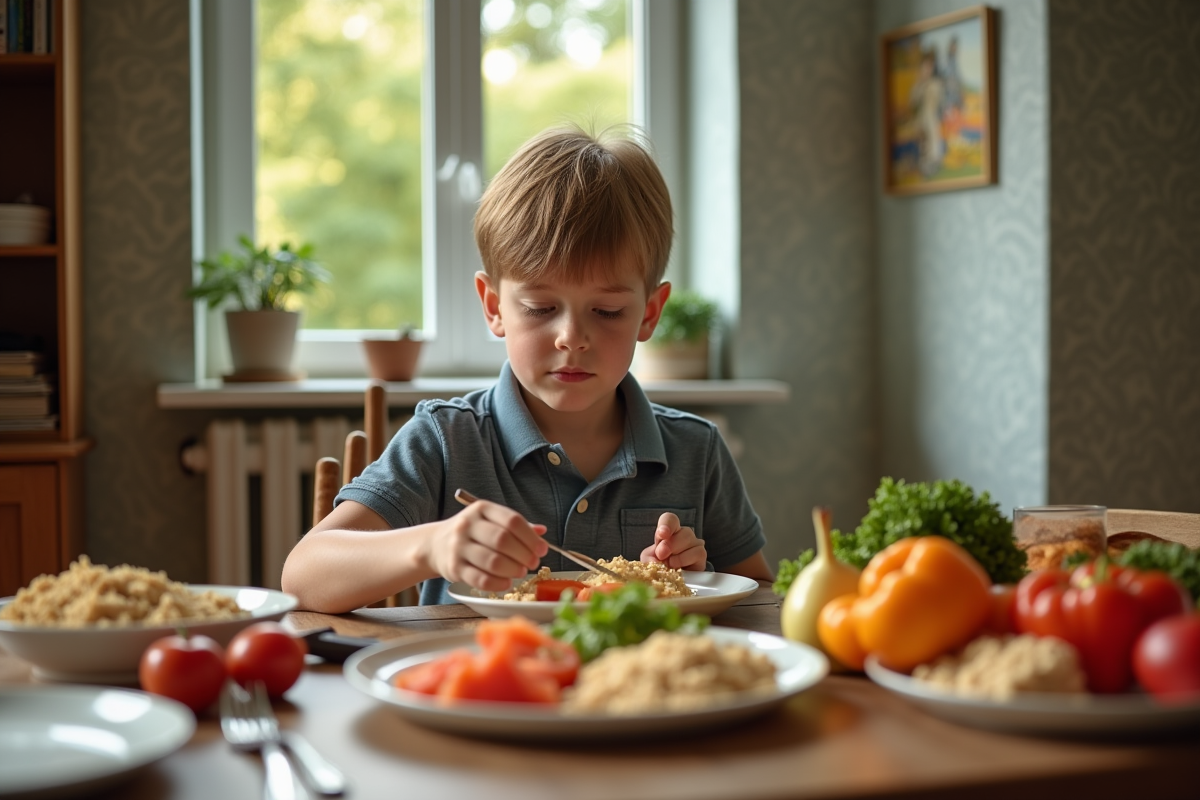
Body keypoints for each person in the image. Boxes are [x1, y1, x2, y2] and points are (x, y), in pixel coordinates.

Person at [281, 125, 773, 613]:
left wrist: (695, 586)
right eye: (539, 308)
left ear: (649, 313)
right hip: (489, 687)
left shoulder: (696, 451)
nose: (571, 337)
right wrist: (431, 546)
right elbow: (304, 576)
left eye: (606, 312)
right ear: (494, 307)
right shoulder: (447, 439)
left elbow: (759, 599)